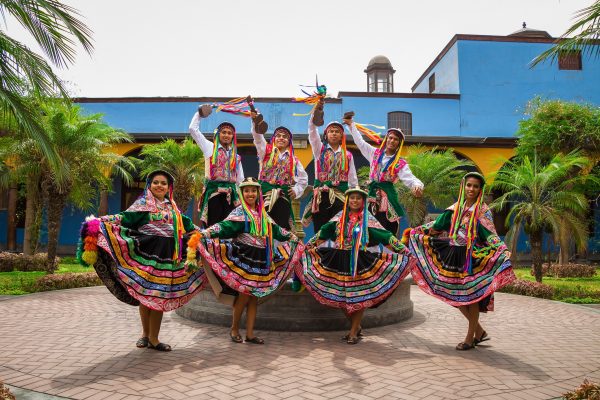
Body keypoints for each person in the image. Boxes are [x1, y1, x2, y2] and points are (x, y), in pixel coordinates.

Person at [77, 170, 206, 352]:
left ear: (169, 187)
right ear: (149, 185)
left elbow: (190, 227)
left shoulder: (174, 209)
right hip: (147, 254)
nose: (159, 186)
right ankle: (146, 336)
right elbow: (124, 218)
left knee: (159, 295)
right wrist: (99, 221)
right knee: (147, 297)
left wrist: (207, 234)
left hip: (167, 258)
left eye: (163, 183)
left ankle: (153, 338)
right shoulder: (142, 206)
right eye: (156, 182)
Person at [407, 172, 516, 350]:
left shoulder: (482, 212)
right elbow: (436, 227)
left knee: (470, 298)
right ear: (463, 187)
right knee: (453, 295)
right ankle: (479, 331)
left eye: (475, 186)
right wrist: (415, 232)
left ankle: (469, 338)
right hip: (453, 256)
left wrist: (502, 248)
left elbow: (490, 236)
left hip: (471, 259)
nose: (471, 189)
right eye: (469, 185)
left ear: (480, 190)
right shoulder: (454, 209)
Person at [187, 177, 302, 344]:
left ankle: (250, 333)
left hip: (261, 257)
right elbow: (225, 226)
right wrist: (205, 233)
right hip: (245, 256)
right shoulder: (239, 212)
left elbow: (276, 230)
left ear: (258, 193)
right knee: (243, 294)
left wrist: (291, 236)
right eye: (247, 190)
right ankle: (234, 329)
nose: (250, 194)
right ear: (242, 193)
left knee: (254, 297)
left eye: (253, 190)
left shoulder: (263, 214)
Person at [297, 186, 414, 344]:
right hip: (339, 260)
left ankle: (353, 332)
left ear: (363, 201)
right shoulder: (339, 218)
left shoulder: (368, 220)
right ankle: (356, 326)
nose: (355, 200)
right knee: (340, 297)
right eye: (352, 197)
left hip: (360, 261)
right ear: (347, 200)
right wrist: (305, 249)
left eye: (358, 198)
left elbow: (385, 236)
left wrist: (405, 251)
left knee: (357, 297)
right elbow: (323, 234)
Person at [345, 114, 423, 235]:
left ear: (399, 143)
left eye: (395, 139)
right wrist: (351, 125)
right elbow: (360, 142)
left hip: (388, 198)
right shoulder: (374, 153)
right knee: (367, 227)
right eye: (390, 138)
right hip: (371, 194)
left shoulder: (400, 163)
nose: (392, 141)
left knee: (388, 228)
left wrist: (417, 186)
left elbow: (411, 179)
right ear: (386, 139)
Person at [302, 99, 358, 232]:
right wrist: (315, 113)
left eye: (337, 131)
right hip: (321, 196)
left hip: (341, 196)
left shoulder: (348, 155)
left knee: (338, 230)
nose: (334, 133)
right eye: (331, 131)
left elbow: (353, 179)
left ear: (341, 136)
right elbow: (312, 132)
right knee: (320, 230)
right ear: (326, 135)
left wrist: (355, 196)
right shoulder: (319, 150)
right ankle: (320, 252)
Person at [189, 108, 244, 227]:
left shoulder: (236, 156)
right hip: (214, 193)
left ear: (233, 136)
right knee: (213, 227)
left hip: (231, 196)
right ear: (218, 134)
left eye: (229, 133)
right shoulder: (210, 148)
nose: (226, 135)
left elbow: (240, 181)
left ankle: (227, 246)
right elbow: (193, 130)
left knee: (229, 227)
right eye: (224, 132)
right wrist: (199, 113)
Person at [251, 114, 308, 230]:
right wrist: (255, 121)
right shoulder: (265, 151)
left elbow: (303, 179)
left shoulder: (294, 160)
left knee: (282, 229)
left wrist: (296, 190)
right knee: (264, 226)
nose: (281, 138)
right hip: (265, 196)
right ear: (273, 139)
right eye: (278, 136)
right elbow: (258, 138)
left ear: (289, 142)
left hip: (283, 198)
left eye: (285, 137)